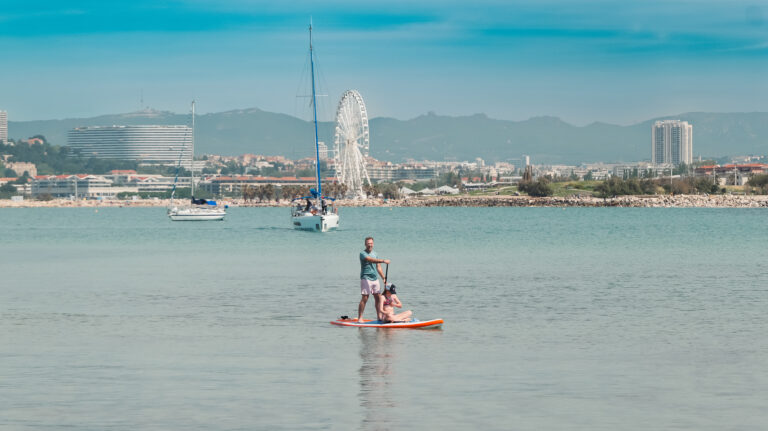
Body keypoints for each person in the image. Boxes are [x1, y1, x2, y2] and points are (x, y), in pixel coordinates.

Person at [358, 236, 389, 322]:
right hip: (366, 278)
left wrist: (383, 278)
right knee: (365, 298)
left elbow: (378, 267)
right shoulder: (362, 254)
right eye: (368, 243)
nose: (370, 245)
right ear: (365, 244)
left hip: (375, 278)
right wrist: (383, 261)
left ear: (373, 244)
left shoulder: (375, 254)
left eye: (371, 243)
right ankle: (360, 317)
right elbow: (370, 260)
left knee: (378, 297)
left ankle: (379, 316)